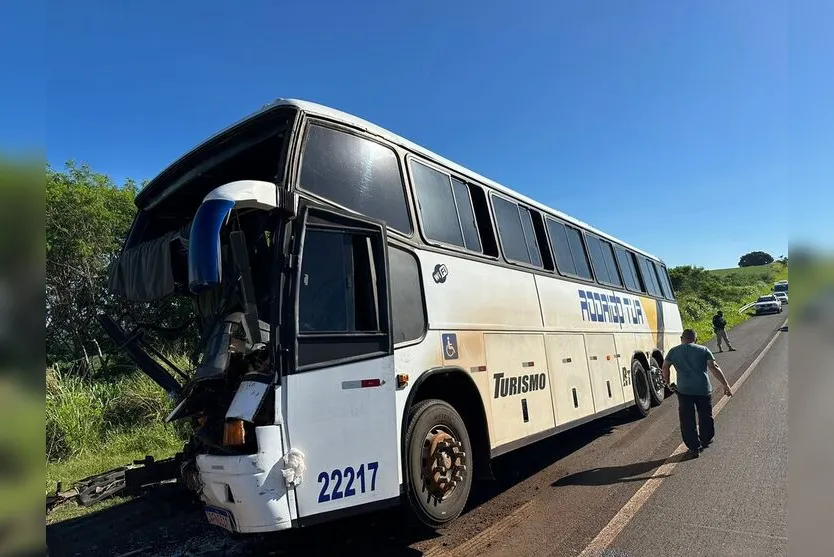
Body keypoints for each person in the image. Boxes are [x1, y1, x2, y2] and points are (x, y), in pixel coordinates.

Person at [662, 329, 733, 458]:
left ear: (681, 338)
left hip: (684, 390)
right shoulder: (703, 350)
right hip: (703, 389)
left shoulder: (673, 351)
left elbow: (665, 367)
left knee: (687, 419)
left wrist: (667, 383)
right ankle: (705, 439)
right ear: (696, 338)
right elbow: (713, 367)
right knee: (705, 415)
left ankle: (694, 447)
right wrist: (725, 384)